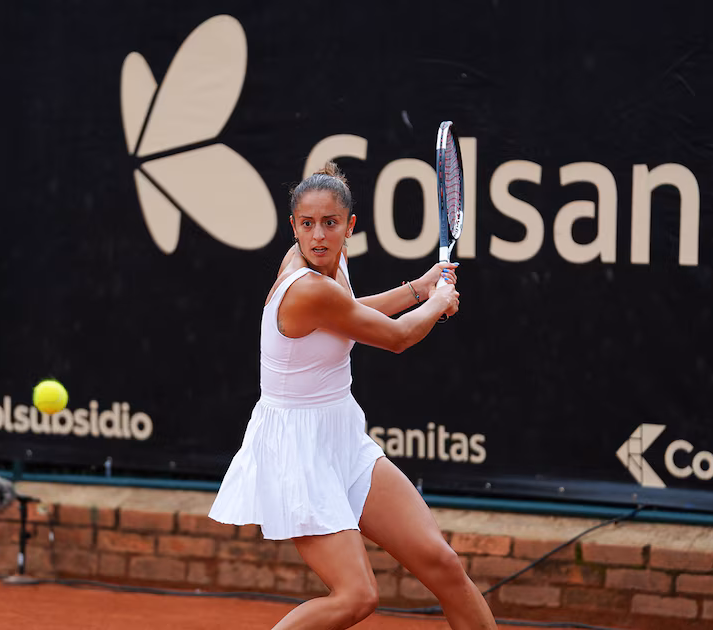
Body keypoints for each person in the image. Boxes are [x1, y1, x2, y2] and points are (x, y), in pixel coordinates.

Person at [209, 163, 497, 629]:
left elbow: (349, 315)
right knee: (357, 596)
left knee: (443, 564)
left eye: (329, 223)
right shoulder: (304, 287)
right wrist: (437, 303)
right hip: (297, 452)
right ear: (293, 227)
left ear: (349, 227)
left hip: (342, 440)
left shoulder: (331, 265)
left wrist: (418, 289)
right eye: (307, 224)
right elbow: (397, 338)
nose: (318, 235)